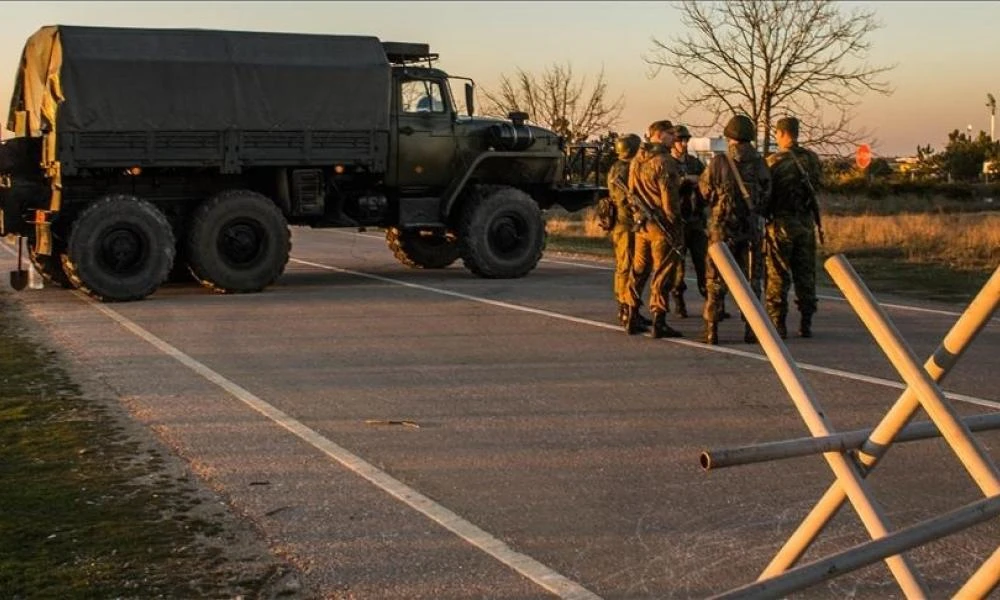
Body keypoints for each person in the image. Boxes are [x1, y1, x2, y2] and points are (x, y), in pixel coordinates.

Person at [698, 114, 771, 345]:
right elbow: (768, 193)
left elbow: (705, 191)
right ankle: (751, 329)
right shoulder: (760, 163)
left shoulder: (719, 162)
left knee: (715, 278)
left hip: (722, 228)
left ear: (730, 137)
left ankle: (712, 329)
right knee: (752, 279)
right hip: (750, 228)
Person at [623, 120, 684, 338]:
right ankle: (659, 318)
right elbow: (670, 201)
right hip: (661, 226)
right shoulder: (664, 161)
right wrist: (675, 223)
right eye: (669, 134)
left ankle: (632, 313)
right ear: (658, 135)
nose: (673, 138)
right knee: (662, 272)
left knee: (639, 270)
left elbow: (631, 193)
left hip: (642, 225)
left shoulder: (636, 160)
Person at [764, 116, 824, 338]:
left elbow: (765, 194)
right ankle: (806, 321)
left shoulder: (774, 162)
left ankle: (778, 322)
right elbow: (818, 187)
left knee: (778, 274)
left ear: (780, 134)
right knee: (806, 273)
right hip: (806, 223)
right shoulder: (812, 159)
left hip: (780, 223)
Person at [606, 133, 651, 329]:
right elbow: (626, 199)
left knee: (626, 266)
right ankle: (626, 307)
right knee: (628, 266)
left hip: (623, 223)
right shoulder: (624, 170)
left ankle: (628, 306)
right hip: (626, 224)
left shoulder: (617, 168)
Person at [668, 125, 708, 318]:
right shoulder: (668, 164)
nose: (683, 144)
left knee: (704, 263)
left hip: (696, 220)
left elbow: (707, 182)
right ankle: (679, 301)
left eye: (686, 140)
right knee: (678, 265)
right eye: (679, 140)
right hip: (679, 221)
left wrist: (697, 181)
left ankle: (711, 302)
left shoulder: (694, 163)